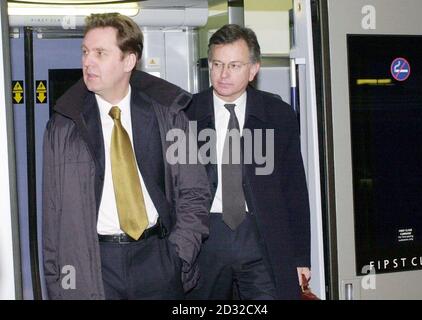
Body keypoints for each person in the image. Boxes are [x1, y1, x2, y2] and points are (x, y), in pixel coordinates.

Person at [42, 13, 211, 299]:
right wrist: (58, 281)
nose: (88, 61)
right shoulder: (63, 127)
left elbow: (195, 191)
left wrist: (178, 256)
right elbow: (52, 214)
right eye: (85, 52)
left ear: (128, 61)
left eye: (100, 53)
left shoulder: (169, 117)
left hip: (157, 259)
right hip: (95, 264)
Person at [185, 24, 311, 300]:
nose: (223, 74)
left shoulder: (277, 115)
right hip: (205, 237)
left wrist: (301, 256)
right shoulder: (186, 114)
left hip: (261, 235)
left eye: (234, 65)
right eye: (217, 64)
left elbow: (294, 188)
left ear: (253, 69)